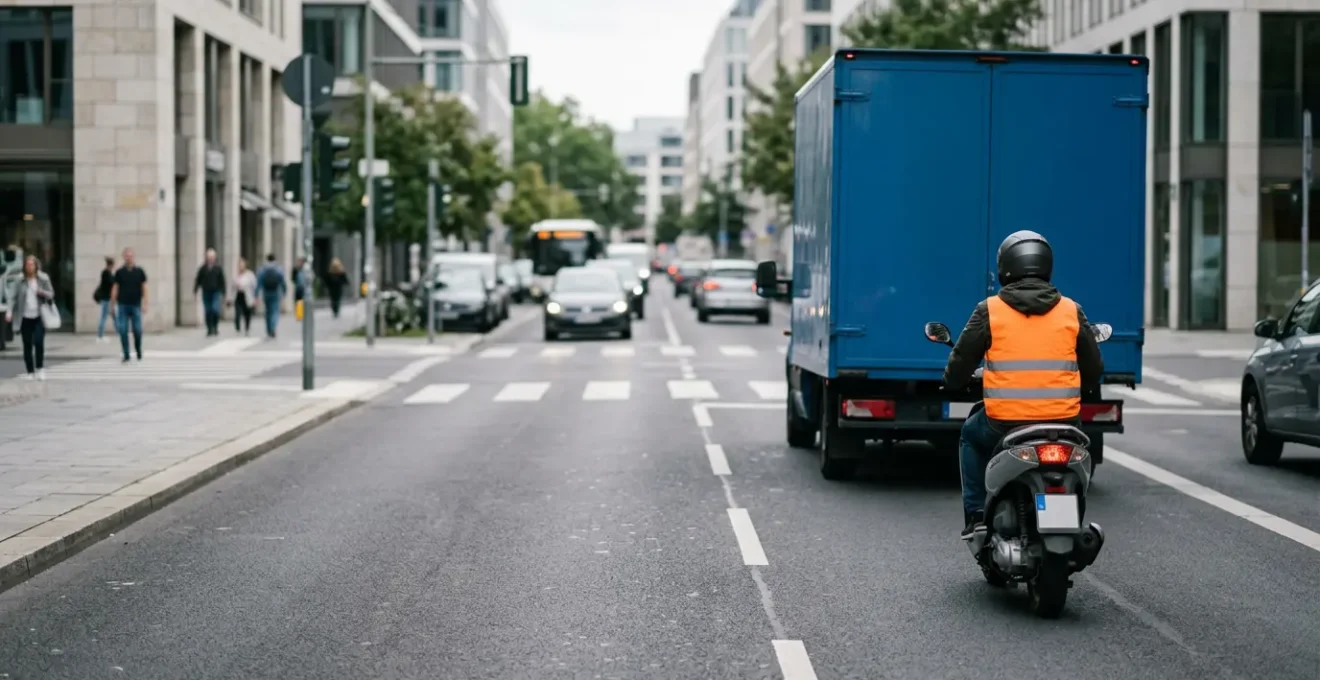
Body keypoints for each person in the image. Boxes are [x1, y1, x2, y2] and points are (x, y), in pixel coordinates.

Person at [942, 231, 1104, 539]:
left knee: (970, 438)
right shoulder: (1071, 310)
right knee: (1079, 456)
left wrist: (952, 383)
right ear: (1047, 266)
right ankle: (1074, 513)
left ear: (1005, 268)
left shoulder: (989, 310)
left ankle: (976, 514)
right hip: (1064, 423)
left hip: (1004, 423)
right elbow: (1094, 369)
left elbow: (961, 361)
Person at [5, 255, 55, 380]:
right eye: (27, 265)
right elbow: (12, 297)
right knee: (27, 344)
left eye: (31, 264)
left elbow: (51, 294)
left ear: (36, 266)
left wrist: (41, 292)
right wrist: (9, 312)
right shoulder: (20, 280)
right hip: (25, 317)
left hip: (39, 316)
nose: (29, 267)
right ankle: (30, 371)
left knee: (39, 342)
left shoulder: (43, 278)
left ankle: (40, 368)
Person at [110, 247, 147, 363]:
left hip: (136, 305)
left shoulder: (139, 271)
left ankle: (138, 349)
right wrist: (112, 304)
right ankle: (126, 354)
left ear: (133, 257)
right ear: (124, 257)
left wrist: (146, 303)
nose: (129, 257)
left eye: (130, 255)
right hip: (123, 305)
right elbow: (115, 288)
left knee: (138, 330)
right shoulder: (119, 272)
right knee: (123, 330)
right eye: (127, 256)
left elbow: (144, 288)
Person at [194, 248, 226, 336]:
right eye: (209, 257)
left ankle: (215, 327)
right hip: (206, 291)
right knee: (208, 310)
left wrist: (223, 292)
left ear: (214, 258)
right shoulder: (203, 268)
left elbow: (222, 280)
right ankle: (209, 328)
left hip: (216, 291)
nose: (210, 259)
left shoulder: (218, 268)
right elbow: (198, 280)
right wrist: (195, 289)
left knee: (215, 309)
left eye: (212, 257)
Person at [253, 253, 286, 339]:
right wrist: (284, 291)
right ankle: (273, 327)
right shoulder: (278, 269)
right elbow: (282, 282)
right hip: (275, 292)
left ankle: (268, 329)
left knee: (268, 312)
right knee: (275, 311)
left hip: (266, 292)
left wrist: (256, 294)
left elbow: (259, 283)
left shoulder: (263, 269)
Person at [94, 256, 116, 342]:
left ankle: (121, 332)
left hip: (108, 298)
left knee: (115, 316)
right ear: (111, 265)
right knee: (104, 317)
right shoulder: (106, 273)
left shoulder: (108, 272)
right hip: (106, 298)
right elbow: (111, 283)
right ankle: (100, 336)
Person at [233, 257, 256, 335]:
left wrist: (255, 297)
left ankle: (247, 327)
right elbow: (232, 286)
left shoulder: (249, 274)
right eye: (239, 265)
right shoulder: (236, 275)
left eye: (242, 265)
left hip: (247, 295)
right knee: (237, 312)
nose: (241, 267)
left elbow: (254, 285)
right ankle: (237, 327)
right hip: (238, 295)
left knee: (247, 313)